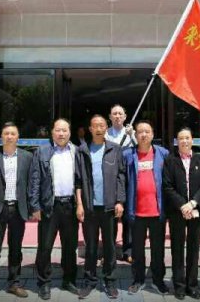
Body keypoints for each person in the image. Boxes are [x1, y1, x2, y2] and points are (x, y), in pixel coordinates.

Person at [0, 122, 34, 302]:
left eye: (13, 133)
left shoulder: (27, 157)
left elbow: (31, 184)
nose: (9, 136)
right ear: (1, 137)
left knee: (16, 249)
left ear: (18, 137)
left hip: (18, 208)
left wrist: (33, 208)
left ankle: (14, 283)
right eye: (6, 133)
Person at [28, 118, 80, 300]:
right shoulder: (42, 151)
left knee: (70, 247)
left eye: (64, 130)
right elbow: (35, 180)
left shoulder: (76, 151)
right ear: (52, 132)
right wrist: (35, 205)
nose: (61, 133)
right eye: (58, 130)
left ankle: (69, 280)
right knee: (45, 246)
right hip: (49, 206)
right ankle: (44, 283)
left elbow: (81, 180)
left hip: (70, 206)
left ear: (70, 132)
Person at [76, 114, 126, 299]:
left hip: (109, 208)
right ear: (90, 129)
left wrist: (120, 201)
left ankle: (110, 281)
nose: (98, 129)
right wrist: (79, 204)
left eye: (102, 125)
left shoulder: (115, 149)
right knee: (90, 246)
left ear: (106, 128)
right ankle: (89, 280)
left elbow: (121, 176)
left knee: (110, 246)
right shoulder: (82, 150)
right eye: (95, 126)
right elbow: (78, 180)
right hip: (89, 207)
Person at [162, 128, 200, 300]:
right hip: (177, 212)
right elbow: (167, 186)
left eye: (187, 138)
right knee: (177, 249)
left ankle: (192, 285)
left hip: (197, 210)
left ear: (192, 140)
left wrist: (192, 203)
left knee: (193, 249)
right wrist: (183, 205)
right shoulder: (170, 161)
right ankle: (179, 286)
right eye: (181, 138)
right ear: (177, 141)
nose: (184, 141)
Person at [123, 120, 170, 296]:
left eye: (147, 131)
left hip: (157, 212)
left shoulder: (163, 153)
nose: (143, 134)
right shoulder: (128, 155)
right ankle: (138, 280)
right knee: (137, 250)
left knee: (158, 250)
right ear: (135, 135)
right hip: (136, 213)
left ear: (152, 134)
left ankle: (158, 280)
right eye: (140, 132)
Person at [105, 104, 134, 262]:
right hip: (111, 178)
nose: (117, 116)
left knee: (128, 215)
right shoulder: (106, 133)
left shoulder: (131, 133)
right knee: (111, 216)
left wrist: (132, 136)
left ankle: (128, 251)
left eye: (120, 113)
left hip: (128, 177)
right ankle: (109, 251)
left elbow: (140, 150)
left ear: (125, 117)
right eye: (114, 113)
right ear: (110, 117)